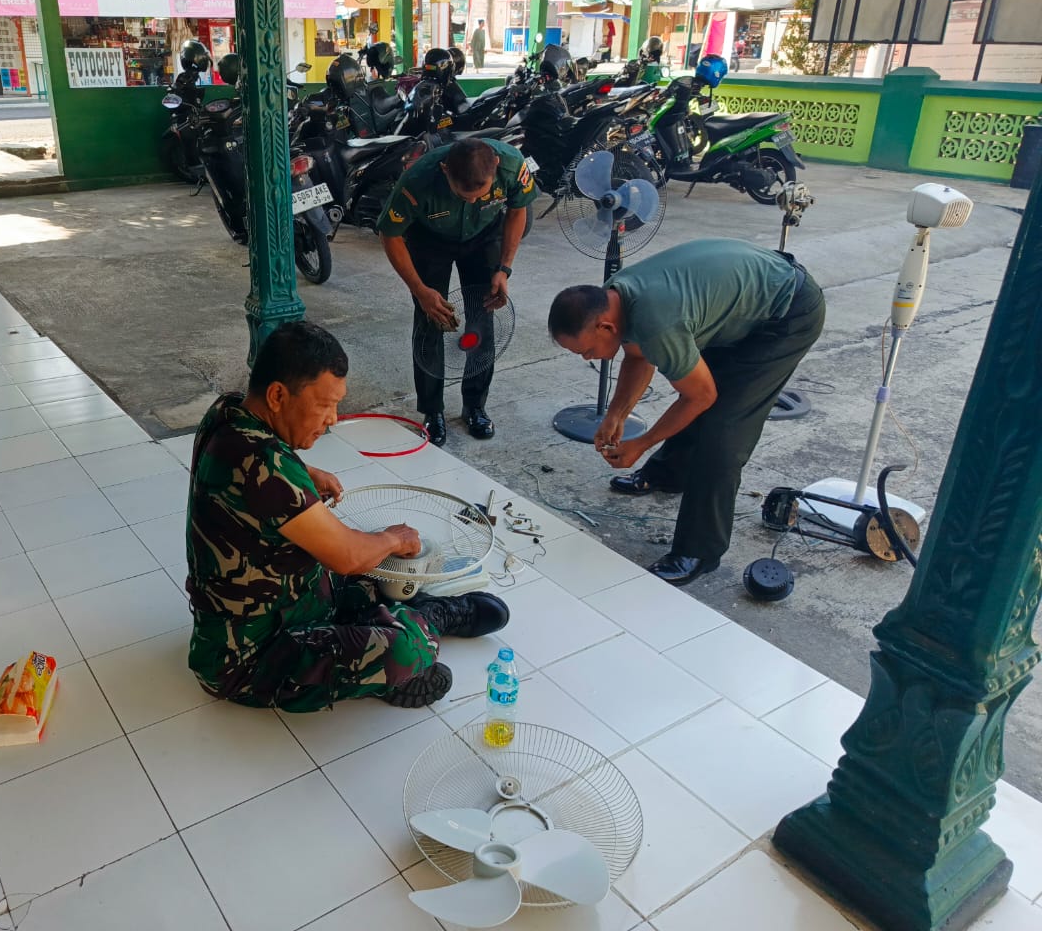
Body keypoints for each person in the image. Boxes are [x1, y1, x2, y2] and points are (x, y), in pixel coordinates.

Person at [185, 321, 510, 712]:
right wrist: (394, 538)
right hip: (249, 658)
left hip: (286, 600)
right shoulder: (265, 466)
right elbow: (347, 556)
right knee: (399, 633)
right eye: (324, 405)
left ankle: (394, 618)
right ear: (276, 395)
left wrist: (304, 472)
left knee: (366, 561)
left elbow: (257, 467)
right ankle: (424, 625)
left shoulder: (228, 411)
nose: (333, 419)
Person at [547, 238, 826, 586]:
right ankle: (669, 474)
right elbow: (637, 354)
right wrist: (615, 416)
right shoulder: (610, 299)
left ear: (605, 327)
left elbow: (700, 397)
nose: (587, 358)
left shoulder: (659, 321)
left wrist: (643, 441)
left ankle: (699, 551)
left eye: (586, 351)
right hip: (744, 302)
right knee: (703, 393)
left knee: (723, 431)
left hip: (786, 314)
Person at [377, 137, 537, 446]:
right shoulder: (417, 180)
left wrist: (504, 269)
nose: (473, 202)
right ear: (444, 170)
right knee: (432, 320)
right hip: (430, 239)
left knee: (483, 318)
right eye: (463, 195)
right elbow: (390, 234)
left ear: (497, 168)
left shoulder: (513, 164)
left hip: (484, 236)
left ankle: (475, 406)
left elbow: (519, 210)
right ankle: (432, 411)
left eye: (481, 195)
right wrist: (420, 290)